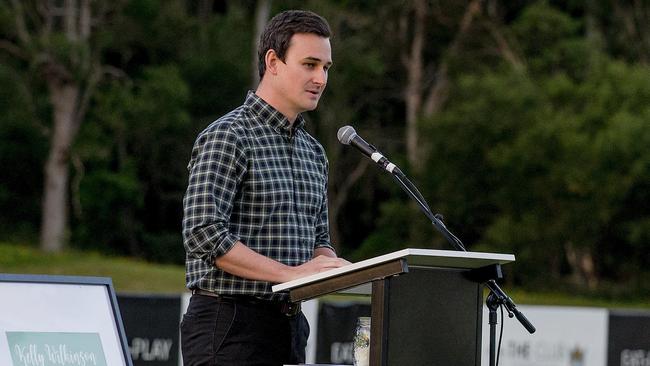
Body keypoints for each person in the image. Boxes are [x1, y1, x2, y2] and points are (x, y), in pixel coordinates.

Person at [180, 9, 349, 366]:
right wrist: (288, 275)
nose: (320, 78)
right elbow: (203, 234)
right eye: (309, 64)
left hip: (290, 326)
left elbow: (319, 243)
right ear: (273, 61)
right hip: (228, 324)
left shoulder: (314, 152)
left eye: (326, 68)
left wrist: (339, 269)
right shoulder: (228, 135)